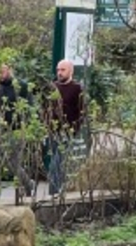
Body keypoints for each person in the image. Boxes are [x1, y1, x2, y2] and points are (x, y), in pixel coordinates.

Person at [0, 63, 38, 202]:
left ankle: (28, 184)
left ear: (10, 70)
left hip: (17, 129)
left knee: (12, 163)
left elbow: (30, 106)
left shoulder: (21, 86)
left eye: (2, 71)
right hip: (0, 129)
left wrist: (25, 124)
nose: (0, 74)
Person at [44, 59, 87, 198]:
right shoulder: (53, 87)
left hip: (67, 131)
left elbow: (82, 112)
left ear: (70, 71)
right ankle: (59, 190)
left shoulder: (77, 88)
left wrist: (74, 129)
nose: (59, 73)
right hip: (53, 130)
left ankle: (54, 192)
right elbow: (46, 108)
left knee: (57, 163)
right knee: (57, 162)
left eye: (63, 70)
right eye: (58, 70)